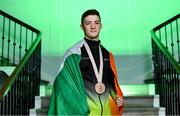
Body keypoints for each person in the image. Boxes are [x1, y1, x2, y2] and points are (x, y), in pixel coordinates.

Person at [48, 9, 124, 115]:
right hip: (85, 113)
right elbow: (62, 88)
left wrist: (116, 97)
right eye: (88, 23)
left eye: (96, 23)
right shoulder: (74, 54)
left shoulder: (107, 54)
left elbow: (110, 82)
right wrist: (79, 107)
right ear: (81, 27)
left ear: (101, 25)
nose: (93, 26)